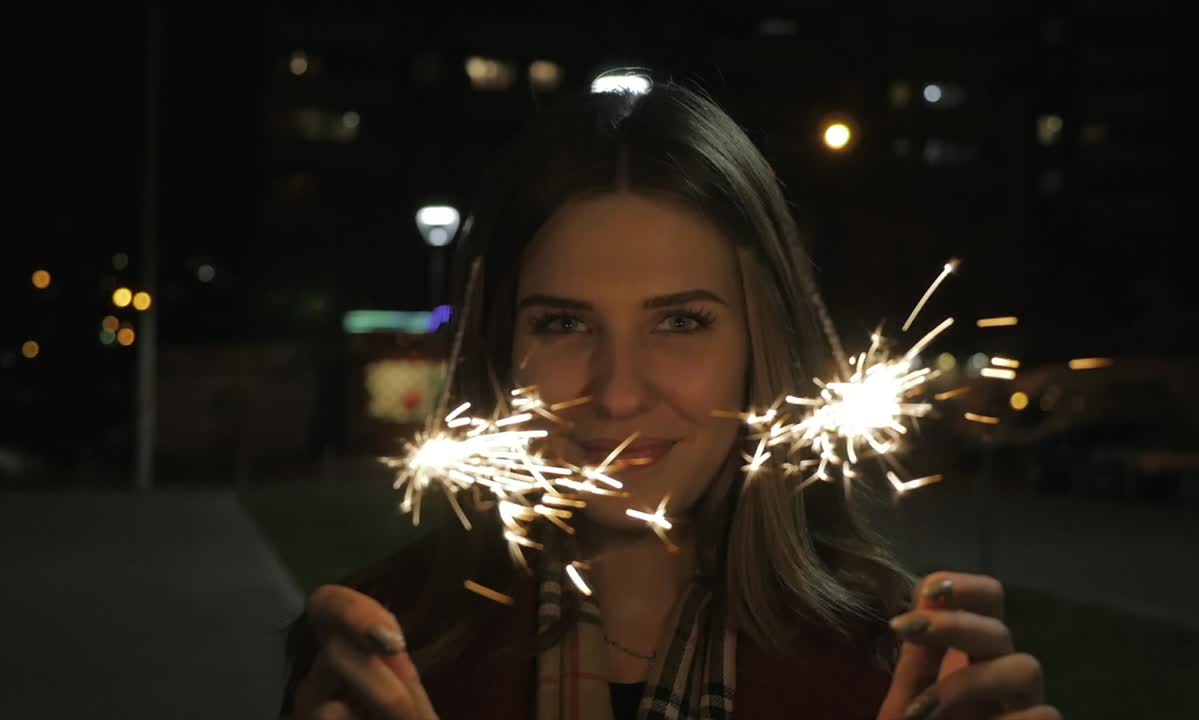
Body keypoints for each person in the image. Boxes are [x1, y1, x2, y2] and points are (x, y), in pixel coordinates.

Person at [281, 77, 1059, 720]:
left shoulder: (892, 670)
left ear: (764, 346)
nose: (617, 393)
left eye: (682, 322)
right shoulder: (379, 654)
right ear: (494, 351)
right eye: (561, 323)